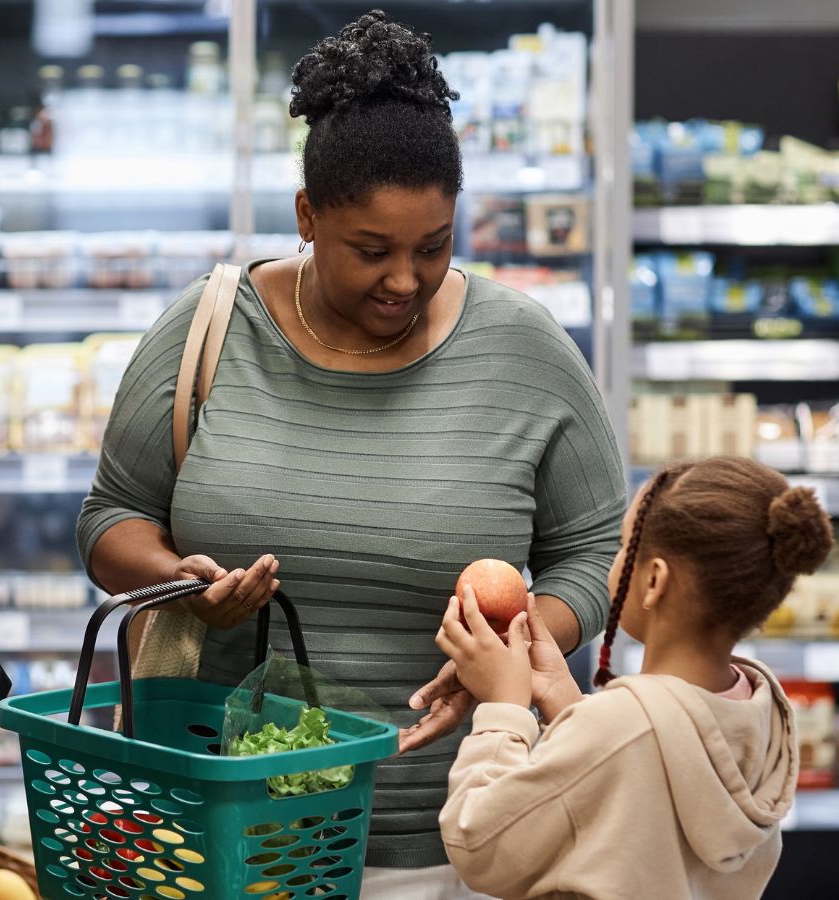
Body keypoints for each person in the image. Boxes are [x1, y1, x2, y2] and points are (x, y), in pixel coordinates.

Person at [76, 9, 624, 893]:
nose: (404, 279)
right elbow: (111, 517)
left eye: (433, 247)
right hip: (227, 838)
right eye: (372, 251)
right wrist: (184, 578)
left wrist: (521, 646)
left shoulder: (523, 350)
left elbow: (598, 553)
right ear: (306, 215)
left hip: (461, 845)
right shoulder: (210, 329)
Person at [437, 457, 834, 900]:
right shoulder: (761, 713)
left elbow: (479, 845)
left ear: (653, 580)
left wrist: (503, 709)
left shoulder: (617, 727)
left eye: (625, 546)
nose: (615, 559)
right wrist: (569, 707)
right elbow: (651, 779)